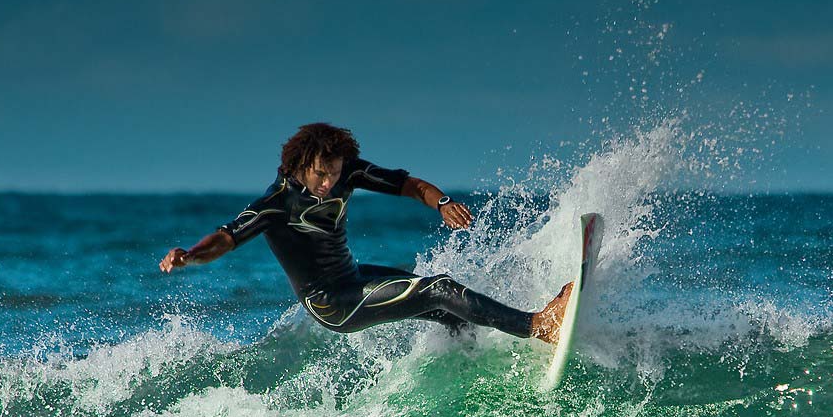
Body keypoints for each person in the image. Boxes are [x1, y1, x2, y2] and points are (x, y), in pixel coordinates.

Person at [160, 123, 573, 342]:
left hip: (353, 277)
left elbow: (408, 185)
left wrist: (443, 203)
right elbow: (226, 237)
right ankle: (537, 326)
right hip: (331, 303)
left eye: (334, 173)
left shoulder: (348, 172)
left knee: (444, 308)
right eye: (321, 174)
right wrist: (191, 255)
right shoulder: (276, 204)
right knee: (439, 289)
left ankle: (472, 352)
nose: (328, 183)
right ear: (299, 166)